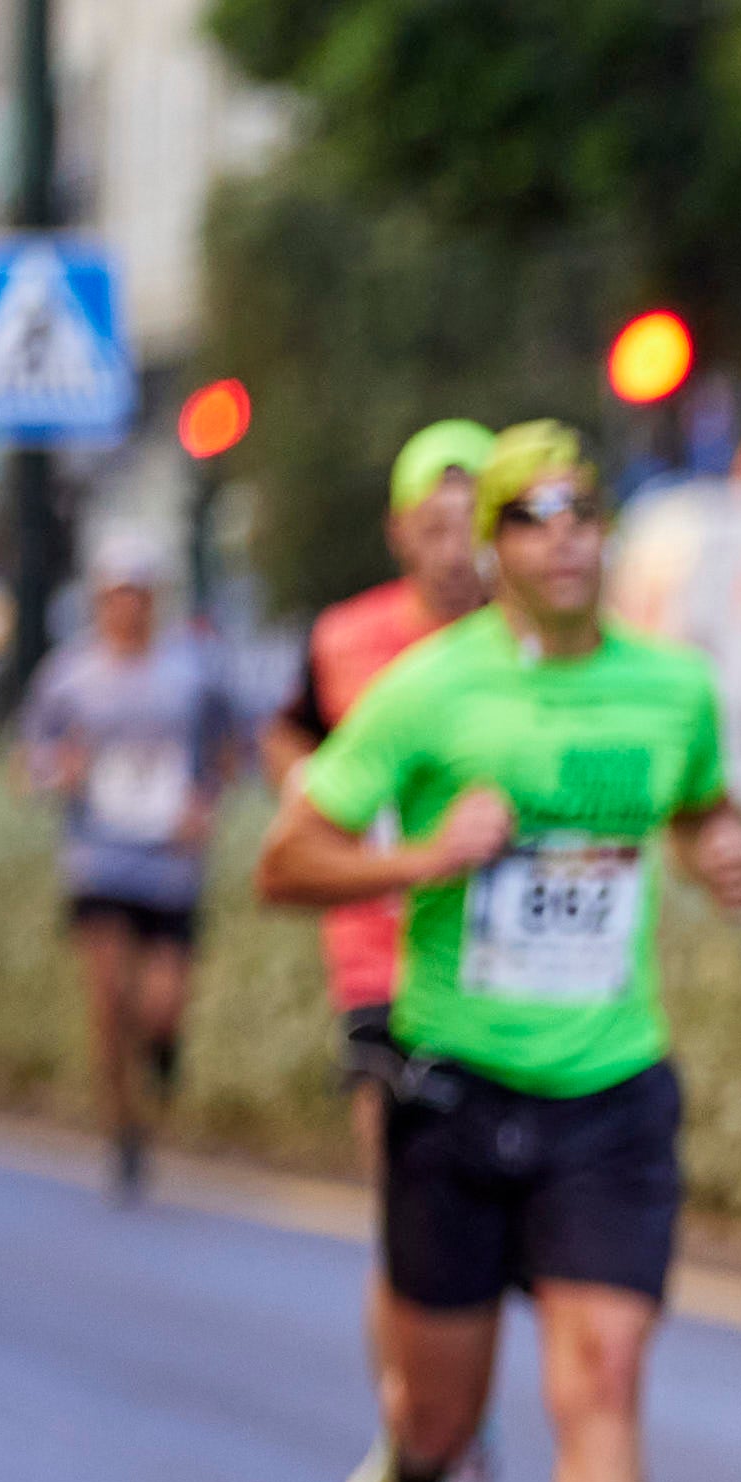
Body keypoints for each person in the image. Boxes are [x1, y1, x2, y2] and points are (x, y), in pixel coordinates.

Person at [256, 423, 741, 1482]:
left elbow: (703, 811)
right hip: (455, 1089)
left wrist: (721, 853)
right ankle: (413, 1476)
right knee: (445, 1402)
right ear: (494, 548)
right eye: (530, 518)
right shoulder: (426, 692)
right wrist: (422, 854)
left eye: (581, 511)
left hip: (610, 1087)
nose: (563, 538)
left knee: (600, 1380)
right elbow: (283, 858)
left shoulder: (672, 690)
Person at [262, 418, 498, 1166]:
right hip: (376, 935)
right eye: (435, 529)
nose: (455, 553)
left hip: (496, 952)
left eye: (473, 528)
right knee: (402, 1182)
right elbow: (288, 731)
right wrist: (314, 796)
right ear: (400, 532)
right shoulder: (344, 636)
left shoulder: (537, 649)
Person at [17, 530, 238, 1202]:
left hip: (170, 863)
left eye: (138, 594)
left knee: (162, 1005)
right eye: (117, 594)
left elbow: (228, 748)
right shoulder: (68, 675)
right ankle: (123, 1132)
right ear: (100, 600)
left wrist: (207, 803)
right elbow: (28, 762)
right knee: (109, 999)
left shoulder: (192, 671)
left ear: (154, 598)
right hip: (98, 858)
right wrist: (61, 772)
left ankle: (162, 1058)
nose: (128, 607)